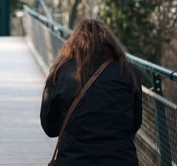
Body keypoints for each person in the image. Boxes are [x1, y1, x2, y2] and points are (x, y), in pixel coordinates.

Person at [40, 18, 142, 166]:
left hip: (73, 160)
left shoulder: (60, 72)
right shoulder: (129, 71)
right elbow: (135, 122)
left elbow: (50, 128)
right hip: (120, 160)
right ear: (110, 43)